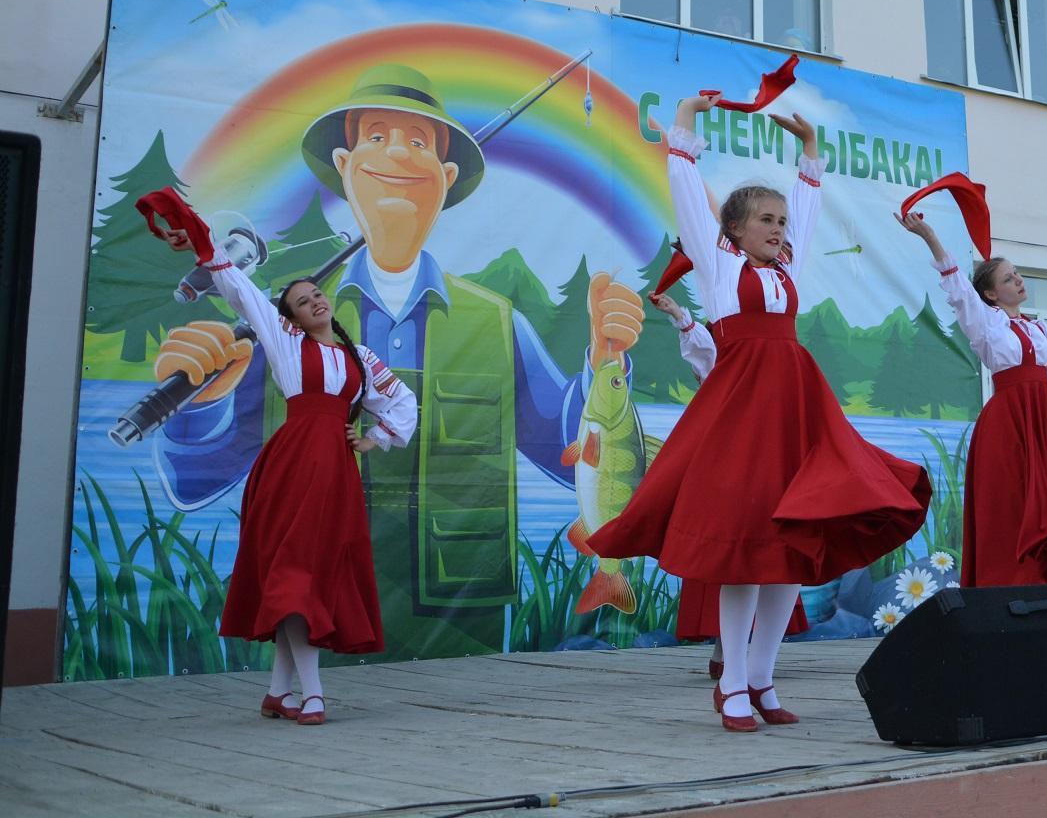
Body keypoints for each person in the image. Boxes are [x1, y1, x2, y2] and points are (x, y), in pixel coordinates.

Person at [148, 65, 646, 658]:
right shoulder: (278, 327)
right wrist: (201, 402)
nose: (397, 157)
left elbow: (572, 458)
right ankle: (299, 693)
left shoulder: (497, 320)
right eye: (375, 137)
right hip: (322, 571)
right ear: (344, 165)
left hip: (465, 618)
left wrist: (601, 358)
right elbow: (195, 480)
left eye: (419, 144)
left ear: (447, 176)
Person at [589, 94, 930, 731]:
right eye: (764, 221)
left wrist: (809, 153)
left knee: (788, 553)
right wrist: (685, 121)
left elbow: (805, 207)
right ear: (735, 231)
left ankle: (765, 681)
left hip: (794, 409)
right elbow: (688, 194)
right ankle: (734, 686)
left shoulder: (786, 267)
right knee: (746, 550)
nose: (777, 229)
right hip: (744, 412)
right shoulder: (719, 265)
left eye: (780, 221)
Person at [145, 194, 416, 725]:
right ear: (287, 315)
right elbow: (238, 287)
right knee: (297, 572)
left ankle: (279, 691)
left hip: (336, 470)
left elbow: (403, 402)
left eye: (318, 294)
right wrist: (200, 236)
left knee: (310, 571)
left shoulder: (359, 359)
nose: (314, 301)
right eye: (301, 300)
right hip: (293, 465)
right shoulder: (286, 342)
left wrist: (375, 439)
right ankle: (312, 694)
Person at [896, 210, 1047, 587]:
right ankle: (1006, 584)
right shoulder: (984, 322)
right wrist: (930, 236)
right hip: (1007, 422)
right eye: (1008, 278)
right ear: (992, 293)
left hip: (1039, 423)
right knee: (1007, 503)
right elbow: (958, 286)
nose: (1019, 280)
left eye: (1018, 274)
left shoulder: (1039, 328)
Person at [646, 286, 807, 680]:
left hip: (769, 455)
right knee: (734, 555)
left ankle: (754, 670)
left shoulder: (774, 345)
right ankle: (730, 662)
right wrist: (680, 316)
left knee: (772, 553)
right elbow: (705, 353)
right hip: (730, 460)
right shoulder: (727, 351)